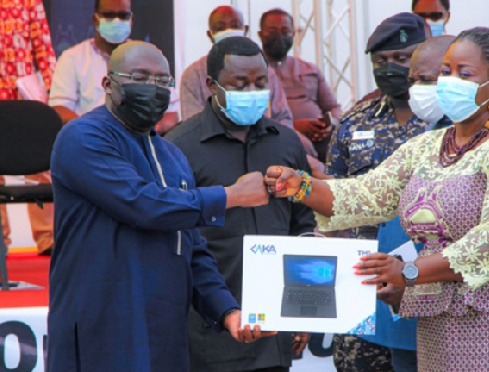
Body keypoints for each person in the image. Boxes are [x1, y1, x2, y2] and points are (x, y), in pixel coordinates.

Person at [266, 27, 489, 372]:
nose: (450, 81)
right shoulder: (426, 147)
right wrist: (302, 186)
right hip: (439, 319)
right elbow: (364, 195)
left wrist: (409, 271)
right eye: (446, 72)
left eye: (464, 74)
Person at [47, 41, 274, 372]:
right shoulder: (83, 137)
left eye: (162, 82)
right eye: (140, 77)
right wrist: (230, 195)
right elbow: (142, 203)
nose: (152, 89)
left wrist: (228, 312)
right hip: (101, 323)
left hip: (163, 330)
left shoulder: (171, 156)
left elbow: (193, 249)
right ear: (108, 84)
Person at [167, 36, 315, 372]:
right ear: (210, 84)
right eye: (240, 83)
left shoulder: (287, 143)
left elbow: (303, 226)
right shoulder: (178, 147)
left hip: (275, 331)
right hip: (208, 332)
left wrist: (305, 307)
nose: (252, 91)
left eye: (260, 83)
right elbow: (174, 238)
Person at [325, 14, 447, 372]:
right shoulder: (355, 121)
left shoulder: (450, 120)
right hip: (362, 278)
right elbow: (334, 201)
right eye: (381, 61)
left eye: (401, 59)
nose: (390, 68)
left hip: (430, 278)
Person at [49, 0, 179, 134]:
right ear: (95, 19)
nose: (116, 21)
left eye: (123, 16)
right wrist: (94, 129)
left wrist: (151, 132)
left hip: (140, 142)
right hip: (92, 142)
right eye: (109, 15)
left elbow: (172, 114)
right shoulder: (72, 58)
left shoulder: (149, 57)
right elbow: (59, 110)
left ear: (131, 20)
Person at [0, 0, 55, 255]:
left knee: (41, 168)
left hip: (23, 93)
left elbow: (42, 44)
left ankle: (47, 238)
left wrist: (52, 88)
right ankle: (1, 241)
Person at [179, 5, 292, 128]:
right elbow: (193, 126)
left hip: (264, 141)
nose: (229, 31)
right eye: (220, 27)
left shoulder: (266, 71)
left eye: (235, 25)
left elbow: (283, 118)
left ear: (245, 29)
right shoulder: (193, 75)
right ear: (210, 35)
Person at [258, 8, 341, 163]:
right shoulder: (256, 72)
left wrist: (328, 125)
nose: (279, 36)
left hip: (322, 139)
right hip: (280, 138)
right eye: (272, 30)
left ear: (294, 34)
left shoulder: (310, 69)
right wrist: (294, 127)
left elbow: (333, 107)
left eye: (285, 31)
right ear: (260, 34)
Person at [408, 35, 455, 129]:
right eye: (412, 81)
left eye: (426, 80)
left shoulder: (488, 134)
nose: (416, 88)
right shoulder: (427, 137)